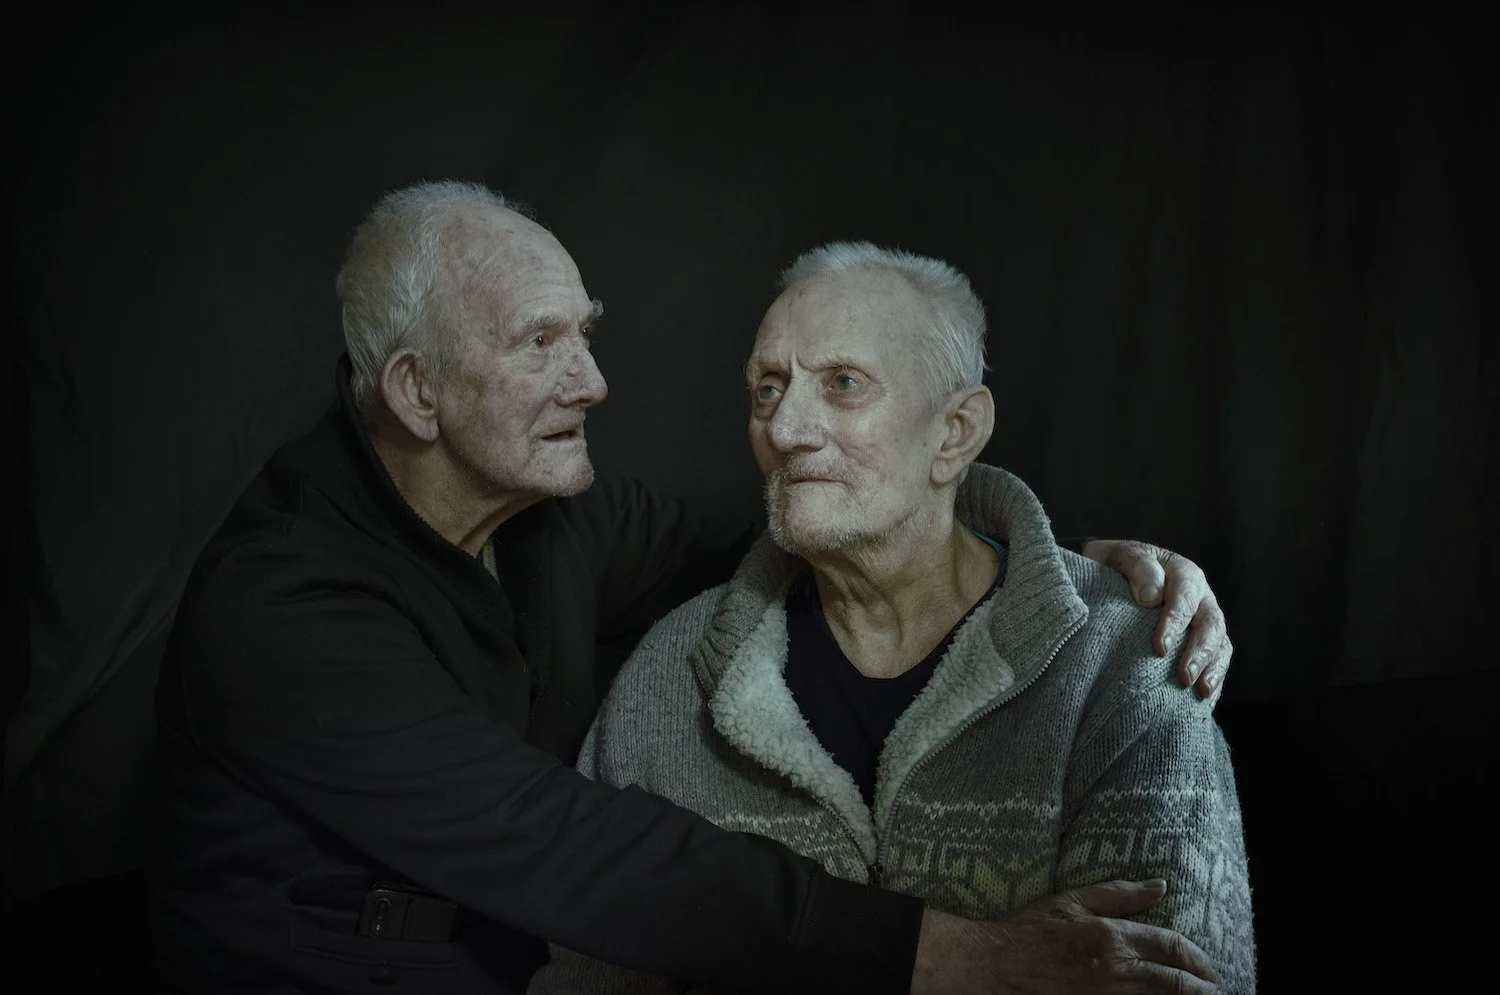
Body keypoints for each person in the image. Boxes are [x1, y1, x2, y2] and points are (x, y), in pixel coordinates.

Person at [145, 180, 1237, 995]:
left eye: (588, 331)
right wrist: (955, 952)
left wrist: (1063, 556)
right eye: (542, 342)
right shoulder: (277, 609)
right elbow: (563, 842)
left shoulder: (549, 520)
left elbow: (818, 519)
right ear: (417, 392)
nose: (595, 379)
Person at [531, 241, 1255, 993]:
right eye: (768, 390)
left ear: (955, 433)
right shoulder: (668, 679)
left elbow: (1180, 979)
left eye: (843, 384)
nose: (784, 431)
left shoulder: (1123, 661)